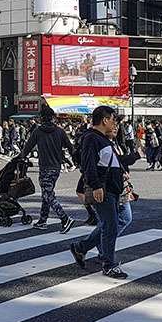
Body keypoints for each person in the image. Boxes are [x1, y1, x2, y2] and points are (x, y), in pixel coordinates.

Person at [70, 106, 127, 279]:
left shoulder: (103, 138)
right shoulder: (92, 138)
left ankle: (81, 248)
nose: (114, 123)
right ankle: (108, 264)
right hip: (104, 189)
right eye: (112, 119)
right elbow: (88, 165)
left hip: (111, 189)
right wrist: (95, 186)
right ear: (105, 120)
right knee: (110, 226)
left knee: (112, 224)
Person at [19, 104, 76, 233]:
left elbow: (27, 147)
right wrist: (77, 160)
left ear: (42, 118)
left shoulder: (38, 131)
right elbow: (70, 148)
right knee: (47, 193)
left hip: (45, 167)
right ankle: (43, 220)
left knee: (47, 194)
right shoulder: (60, 131)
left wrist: (20, 157)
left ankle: (65, 218)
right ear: (53, 118)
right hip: (56, 168)